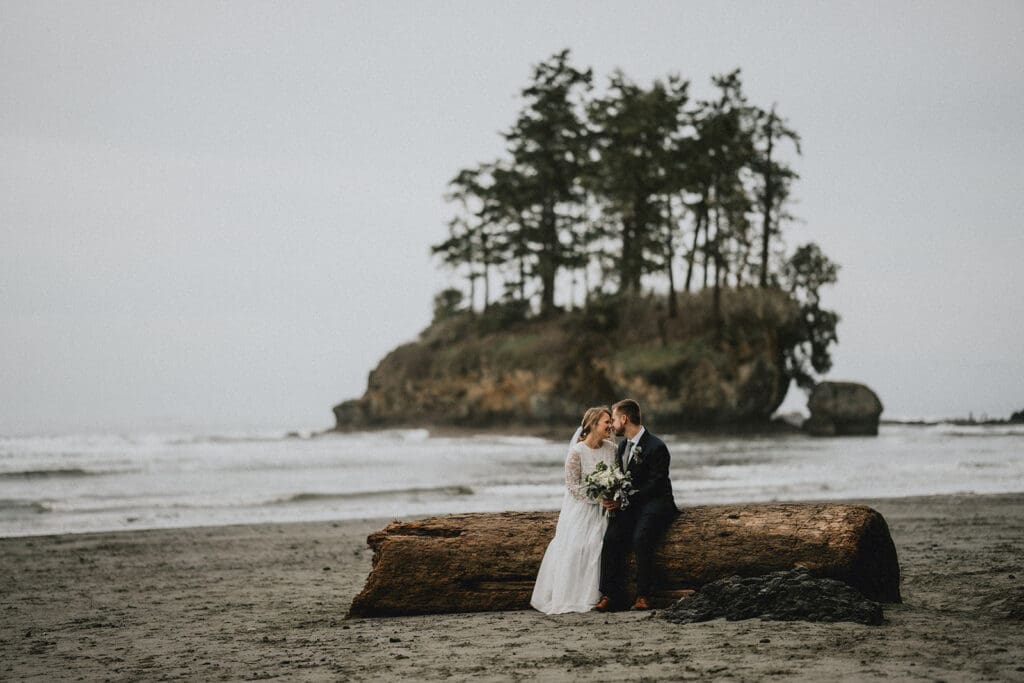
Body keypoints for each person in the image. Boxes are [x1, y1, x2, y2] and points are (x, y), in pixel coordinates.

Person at [530, 406, 617, 614]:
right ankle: (574, 596)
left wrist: (613, 496)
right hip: (581, 508)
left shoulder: (612, 449)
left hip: (606, 509)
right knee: (579, 545)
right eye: (607, 422)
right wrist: (598, 499)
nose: (611, 426)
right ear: (593, 425)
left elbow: (616, 477)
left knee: (600, 544)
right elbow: (573, 486)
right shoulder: (577, 452)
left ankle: (601, 593)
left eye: (611, 422)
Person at [595, 399, 677, 612]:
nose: (612, 424)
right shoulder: (623, 446)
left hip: (656, 503)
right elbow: (620, 478)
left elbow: (656, 484)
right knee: (611, 537)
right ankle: (609, 594)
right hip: (632, 505)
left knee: (641, 537)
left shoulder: (656, 446)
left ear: (625, 419)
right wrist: (612, 496)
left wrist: (625, 499)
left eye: (613, 419)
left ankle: (643, 596)